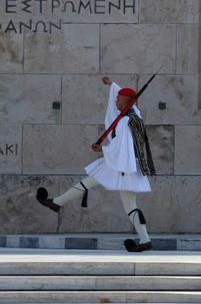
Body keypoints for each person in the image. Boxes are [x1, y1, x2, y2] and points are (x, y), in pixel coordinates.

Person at [36, 77, 155, 252]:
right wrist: (112, 85)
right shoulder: (135, 115)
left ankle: (57, 203)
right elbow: (130, 100)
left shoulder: (124, 122)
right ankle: (145, 240)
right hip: (127, 166)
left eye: (118, 99)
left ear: (127, 102)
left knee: (93, 185)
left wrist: (102, 149)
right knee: (126, 203)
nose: (115, 101)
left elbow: (120, 147)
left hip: (120, 166)